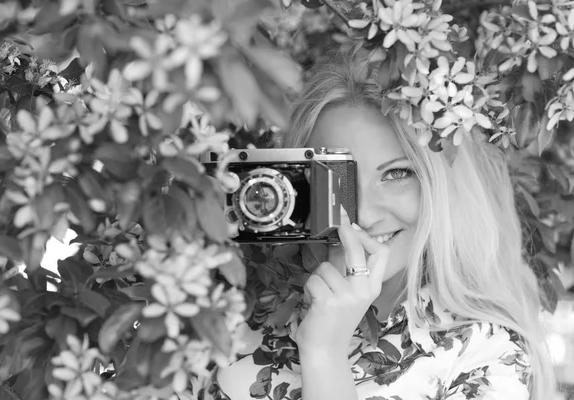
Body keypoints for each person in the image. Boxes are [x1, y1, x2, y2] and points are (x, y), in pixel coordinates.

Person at [199, 49, 556, 400]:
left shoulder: (487, 353)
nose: (365, 216)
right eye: (335, 178)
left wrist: (325, 355)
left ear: (442, 185)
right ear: (299, 180)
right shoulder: (237, 305)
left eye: (397, 173)